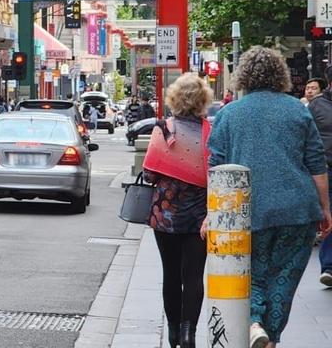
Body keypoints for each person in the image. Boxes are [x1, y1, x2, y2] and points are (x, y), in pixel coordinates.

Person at [205, 47, 332, 348]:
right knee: (284, 280)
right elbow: (316, 163)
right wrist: (324, 208)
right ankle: (270, 335)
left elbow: (216, 167)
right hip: (297, 211)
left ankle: (253, 324)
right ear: (281, 75)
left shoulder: (228, 114)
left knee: (252, 276)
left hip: (247, 211)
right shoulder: (299, 110)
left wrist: (211, 213)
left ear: (243, 76)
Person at [141, 73, 212, 348]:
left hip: (165, 215)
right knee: (193, 276)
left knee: (170, 273)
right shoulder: (209, 131)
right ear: (202, 101)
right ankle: (188, 334)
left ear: (174, 99)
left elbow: (148, 174)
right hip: (200, 217)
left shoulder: (163, 128)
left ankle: (172, 334)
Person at [306, 77, 332, 287]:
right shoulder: (317, 105)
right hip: (326, 168)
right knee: (329, 212)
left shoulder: (315, 105)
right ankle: (329, 266)